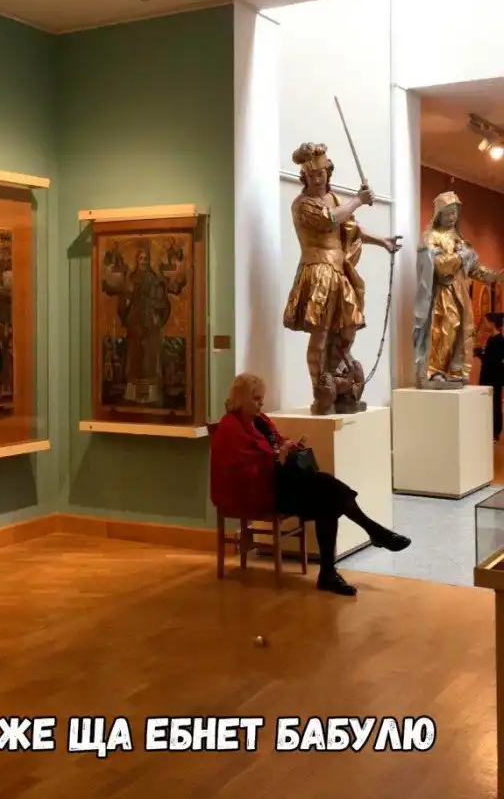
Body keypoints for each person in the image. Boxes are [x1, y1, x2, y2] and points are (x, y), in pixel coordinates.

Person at [210, 373, 411, 597]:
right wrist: (276, 457)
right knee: (328, 491)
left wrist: (288, 447)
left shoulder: (260, 420)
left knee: (328, 498)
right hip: (259, 492)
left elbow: (276, 443)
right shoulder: (230, 428)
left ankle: (338, 565)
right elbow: (239, 474)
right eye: (256, 399)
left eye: (262, 399)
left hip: (281, 483)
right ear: (241, 398)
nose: (261, 403)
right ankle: (369, 537)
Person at [283, 142, 401, 415]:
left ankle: (336, 376)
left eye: (321, 174)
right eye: (311, 175)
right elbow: (330, 220)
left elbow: (351, 228)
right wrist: (358, 200)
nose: (317, 179)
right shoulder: (302, 204)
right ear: (304, 177)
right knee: (320, 333)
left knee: (349, 326)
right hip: (318, 272)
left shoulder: (334, 199)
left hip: (339, 271)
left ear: (328, 173)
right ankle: (321, 390)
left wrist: (382, 240)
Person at [414, 192, 504, 387]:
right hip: (442, 293)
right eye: (448, 213)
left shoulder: (460, 240)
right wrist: (460, 257)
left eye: (454, 213)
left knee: (461, 332)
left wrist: (495, 276)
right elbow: (438, 266)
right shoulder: (431, 237)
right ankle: (434, 370)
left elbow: (474, 269)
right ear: (439, 214)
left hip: (460, 293)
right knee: (443, 330)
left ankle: (453, 370)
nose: (452, 217)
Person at [479, 313, 504, 442]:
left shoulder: (499, 340)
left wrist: (482, 355)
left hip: (494, 377)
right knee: (489, 404)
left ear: (492, 324)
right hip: (488, 376)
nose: (484, 325)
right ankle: (489, 430)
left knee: (495, 403)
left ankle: (495, 432)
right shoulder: (491, 339)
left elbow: (495, 360)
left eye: (485, 322)